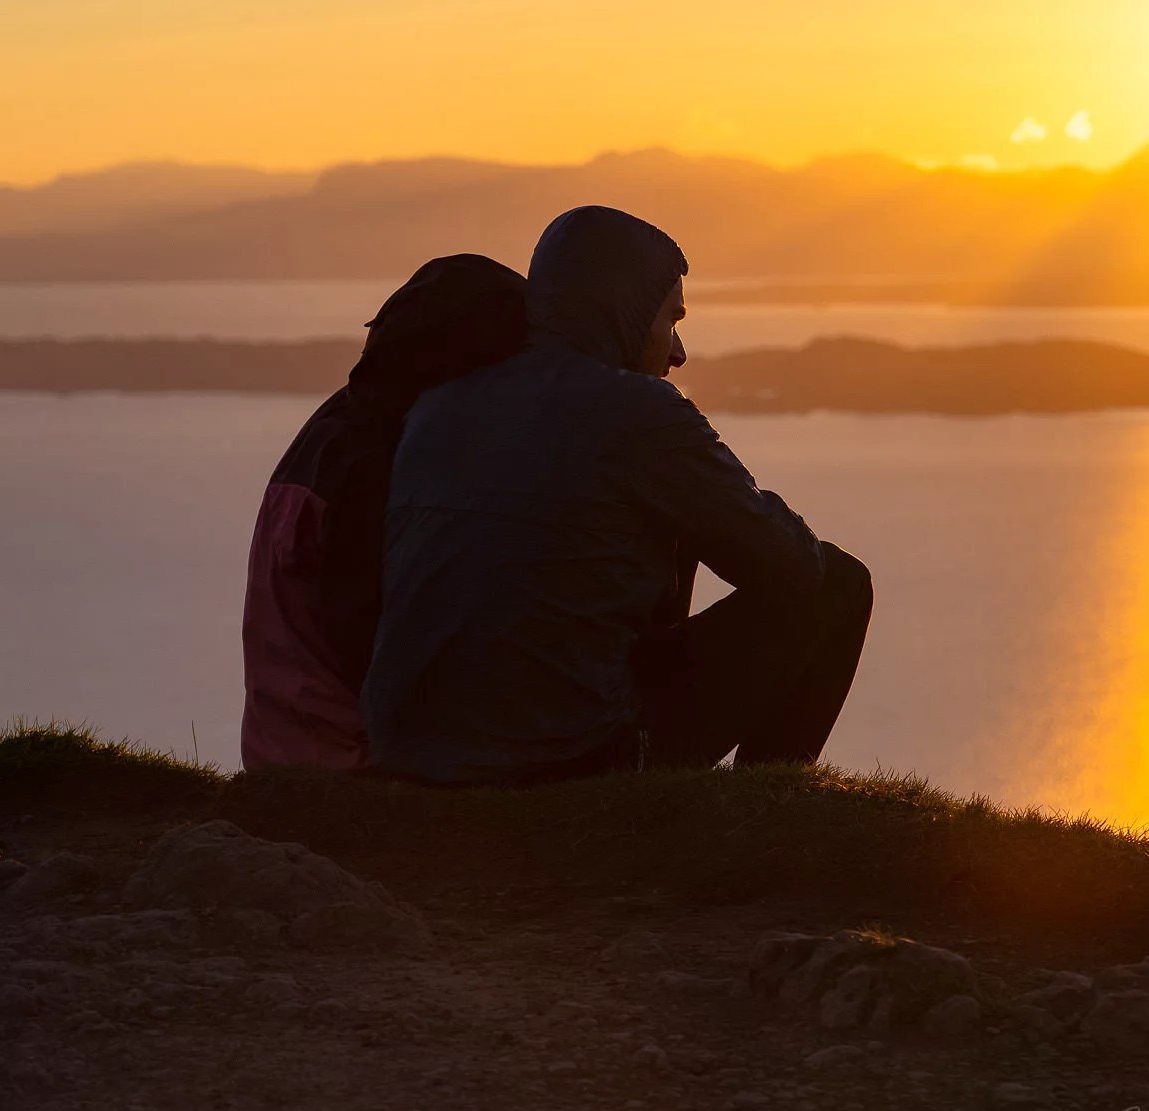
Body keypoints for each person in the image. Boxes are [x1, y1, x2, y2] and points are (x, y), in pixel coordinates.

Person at [361, 204, 872, 785]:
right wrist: (722, 487)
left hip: (408, 755)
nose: (678, 352)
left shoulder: (439, 405)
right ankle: (772, 803)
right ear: (625, 314)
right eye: (671, 321)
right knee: (840, 583)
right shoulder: (640, 414)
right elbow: (793, 569)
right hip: (562, 762)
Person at [240, 254, 529, 771]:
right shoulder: (379, 464)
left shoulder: (342, 425)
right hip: (346, 764)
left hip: (283, 749)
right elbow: (375, 646)